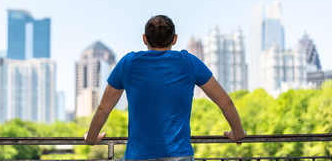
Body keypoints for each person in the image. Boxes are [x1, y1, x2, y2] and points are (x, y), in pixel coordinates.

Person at [84, 15, 246, 161]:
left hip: (138, 155)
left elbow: (103, 108)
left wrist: (92, 137)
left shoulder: (128, 63)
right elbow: (226, 102)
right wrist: (237, 133)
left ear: (144, 39)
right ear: (174, 39)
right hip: (179, 155)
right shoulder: (189, 62)